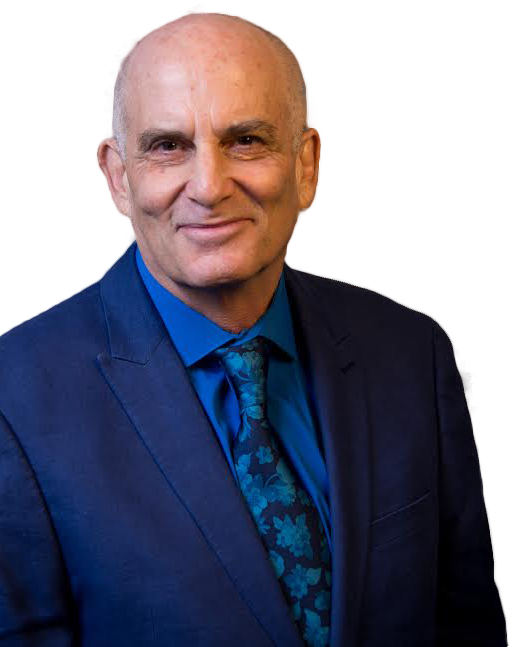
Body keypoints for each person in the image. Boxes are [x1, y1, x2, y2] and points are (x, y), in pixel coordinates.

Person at [0, 8, 506, 647]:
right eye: (168, 146)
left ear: (307, 164)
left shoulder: (413, 353)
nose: (209, 187)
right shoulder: (13, 397)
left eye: (245, 140)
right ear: (119, 178)